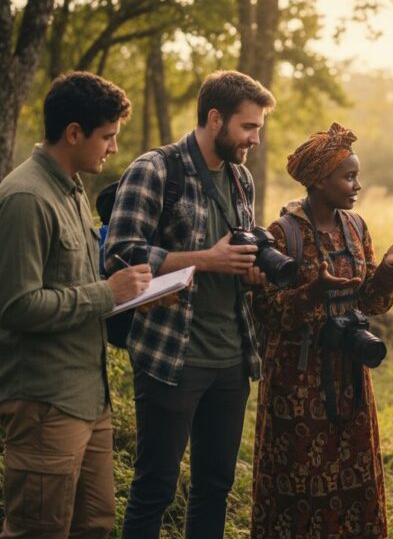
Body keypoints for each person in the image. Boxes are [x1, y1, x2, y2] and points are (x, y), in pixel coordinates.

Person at [104, 70, 275, 539]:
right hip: (170, 357)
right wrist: (208, 260)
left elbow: (234, 256)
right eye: (248, 127)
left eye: (259, 128)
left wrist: (251, 270)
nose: (255, 139)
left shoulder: (241, 180)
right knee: (155, 487)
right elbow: (119, 254)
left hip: (232, 358)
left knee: (215, 487)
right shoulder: (154, 169)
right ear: (215, 118)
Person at [0, 71, 150, 538]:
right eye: (107, 137)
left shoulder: (73, 190)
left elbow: (75, 286)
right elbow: (16, 306)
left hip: (86, 396)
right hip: (43, 399)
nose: (113, 149)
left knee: (92, 524)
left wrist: (134, 296)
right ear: (73, 133)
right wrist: (106, 293)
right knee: (39, 529)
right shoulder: (25, 199)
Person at [250, 122, 393, 539]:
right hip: (296, 382)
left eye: (357, 175)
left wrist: (386, 268)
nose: (357, 185)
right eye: (348, 176)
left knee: (353, 473)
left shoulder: (356, 227)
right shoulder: (282, 234)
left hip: (349, 374)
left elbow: (369, 303)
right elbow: (267, 313)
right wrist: (314, 293)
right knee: (296, 477)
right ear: (317, 180)